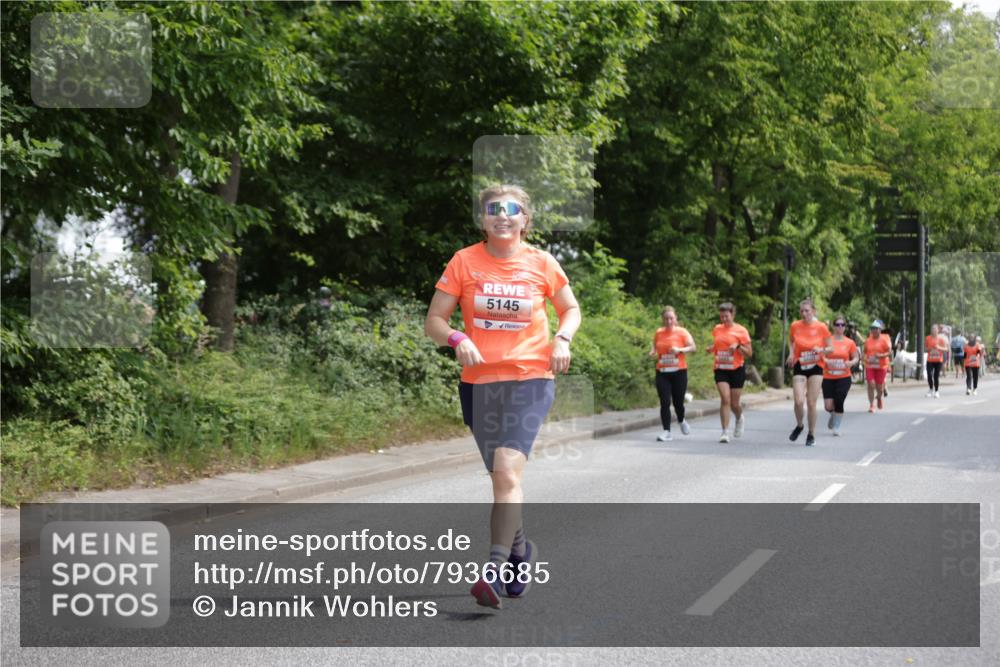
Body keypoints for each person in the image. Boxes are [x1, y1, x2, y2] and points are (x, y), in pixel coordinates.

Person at [424, 184, 581, 609]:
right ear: (483, 219)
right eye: (494, 210)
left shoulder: (542, 263)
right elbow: (434, 320)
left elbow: (570, 308)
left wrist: (562, 339)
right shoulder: (464, 261)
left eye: (512, 210)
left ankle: (492, 570)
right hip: (479, 383)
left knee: (508, 471)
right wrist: (456, 337)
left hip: (530, 377)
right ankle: (520, 551)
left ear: (524, 220)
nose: (503, 216)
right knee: (501, 480)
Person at [786, 298, 831, 447]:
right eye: (802, 311)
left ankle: (811, 434)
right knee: (798, 400)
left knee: (811, 402)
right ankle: (800, 425)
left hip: (816, 365)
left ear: (814, 311)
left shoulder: (822, 327)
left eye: (807, 311)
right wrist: (791, 353)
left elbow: (831, 348)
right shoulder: (795, 325)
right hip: (800, 364)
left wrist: (822, 350)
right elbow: (791, 341)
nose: (804, 314)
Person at [648, 306, 696, 441]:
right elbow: (654, 345)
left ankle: (681, 420)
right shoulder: (659, 332)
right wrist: (652, 351)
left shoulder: (682, 332)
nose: (669, 321)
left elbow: (693, 347)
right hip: (662, 372)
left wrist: (680, 349)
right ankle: (666, 431)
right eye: (666, 319)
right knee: (664, 401)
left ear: (675, 319)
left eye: (671, 318)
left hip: (679, 372)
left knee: (678, 402)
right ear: (662, 319)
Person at [708, 302, 752, 443]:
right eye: (721, 316)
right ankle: (725, 432)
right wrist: (712, 348)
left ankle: (739, 418)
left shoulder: (741, 331)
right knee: (725, 399)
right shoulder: (717, 329)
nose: (724, 319)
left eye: (726, 316)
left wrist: (738, 346)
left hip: (736, 369)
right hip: (721, 368)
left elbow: (749, 353)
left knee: (734, 404)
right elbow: (718, 345)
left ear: (733, 315)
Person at [822, 315, 860, 437]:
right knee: (828, 406)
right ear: (833, 326)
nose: (840, 327)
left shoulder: (850, 342)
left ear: (845, 327)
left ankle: (837, 426)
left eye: (842, 325)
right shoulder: (828, 340)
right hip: (828, 376)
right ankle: (832, 414)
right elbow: (821, 354)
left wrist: (851, 362)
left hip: (844, 376)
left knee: (839, 400)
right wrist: (826, 361)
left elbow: (856, 357)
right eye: (837, 324)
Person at [864, 320, 892, 413]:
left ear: (880, 330)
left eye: (875, 329)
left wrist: (881, 356)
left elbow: (889, 352)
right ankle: (872, 405)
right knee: (870, 384)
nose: (873, 331)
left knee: (880, 388)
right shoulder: (868, 340)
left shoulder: (884, 339)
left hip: (881, 366)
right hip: (870, 366)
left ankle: (879, 398)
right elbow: (865, 352)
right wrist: (864, 358)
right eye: (872, 329)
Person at [924, 324, 948, 397]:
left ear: (938, 330)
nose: (933, 330)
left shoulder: (941, 339)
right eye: (932, 329)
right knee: (929, 375)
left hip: (938, 360)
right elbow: (925, 348)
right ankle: (931, 389)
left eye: (935, 329)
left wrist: (939, 347)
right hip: (930, 360)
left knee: (936, 376)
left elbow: (946, 349)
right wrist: (930, 349)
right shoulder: (928, 338)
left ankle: (936, 391)